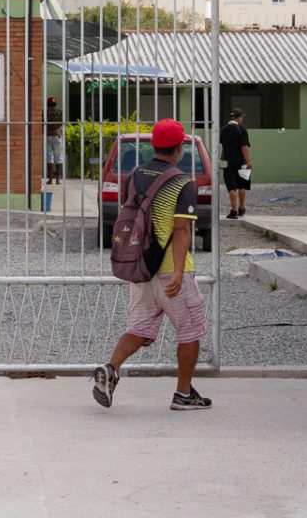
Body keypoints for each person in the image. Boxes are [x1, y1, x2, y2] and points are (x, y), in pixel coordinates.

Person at [91, 118, 212, 411]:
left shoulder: (135, 175)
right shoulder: (182, 182)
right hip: (171, 270)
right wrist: (179, 271)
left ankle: (111, 368)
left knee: (140, 329)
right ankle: (184, 394)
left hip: (142, 267)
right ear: (180, 148)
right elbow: (181, 230)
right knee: (190, 330)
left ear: (154, 145)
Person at [219, 108, 252, 220]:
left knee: (232, 187)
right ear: (238, 118)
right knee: (242, 185)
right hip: (241, 162)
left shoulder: (223, 129)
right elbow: (244, 146)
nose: (242, 119)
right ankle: (241, 208)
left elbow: (221, 145)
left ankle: (233, 210)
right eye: (242, 117)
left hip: (228, 162)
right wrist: (248, 161)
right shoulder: (241, 130)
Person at [44, 97, 66, 184]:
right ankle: (58, 180)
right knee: (59, 157)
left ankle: (50, 179)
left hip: (48, 135)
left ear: (47, 104)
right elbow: (62, 123)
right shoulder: (60, 112)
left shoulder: (45, 113)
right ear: (55, 104)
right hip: (57, 135)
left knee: (49, 157)